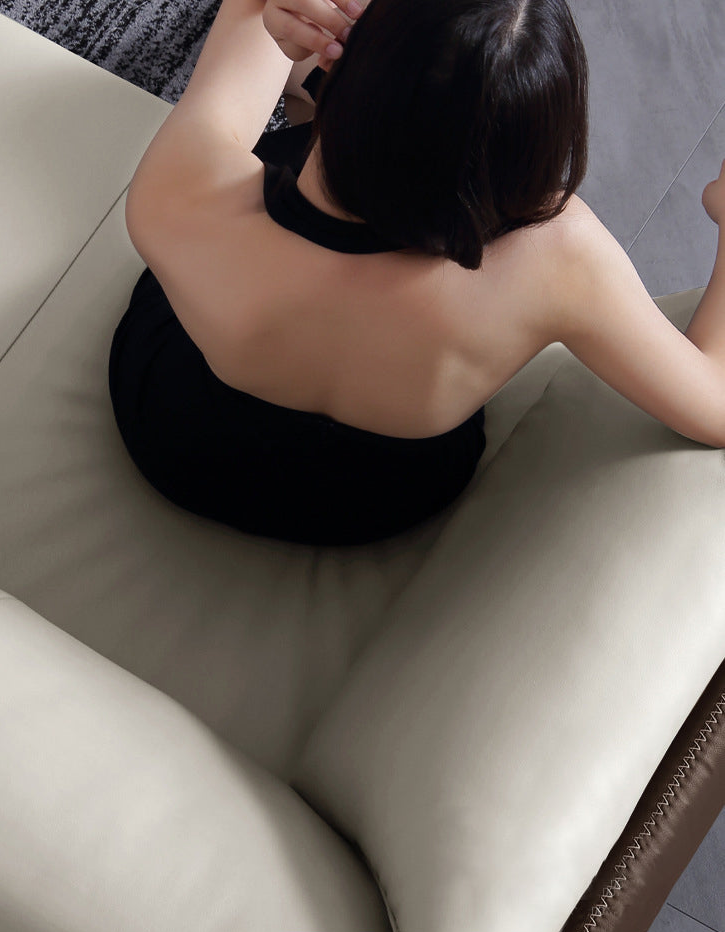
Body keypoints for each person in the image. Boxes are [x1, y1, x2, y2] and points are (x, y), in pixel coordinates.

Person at [109, 0, 725, 549]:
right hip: (371, 498)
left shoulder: (187, 193)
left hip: (178, 437)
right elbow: (717, 405)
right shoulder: (558, 260)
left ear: (343, 78)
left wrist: (274, 15)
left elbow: (246, 35)